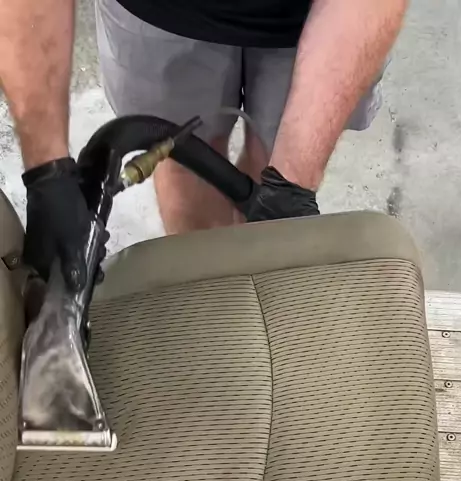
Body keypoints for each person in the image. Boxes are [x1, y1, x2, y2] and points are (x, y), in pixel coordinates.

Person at [0, 0, 407, 292]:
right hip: (157, 12)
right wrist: (47, 172)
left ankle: (254, 292)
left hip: (319, 20)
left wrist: (291, 181)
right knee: (186, 171)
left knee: (276, 175)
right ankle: (210, 297)